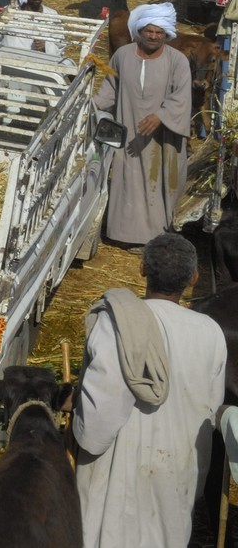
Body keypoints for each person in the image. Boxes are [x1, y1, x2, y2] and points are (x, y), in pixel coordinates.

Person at [73, 232, 225, 548]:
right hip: (175, 474)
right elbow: (208, 416)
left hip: (116, 476)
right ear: (194, 277)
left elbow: (96, 425)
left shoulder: (117, 322)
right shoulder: (210, 333)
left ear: (142, 269)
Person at [93, 3, 191, 246]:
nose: (154, 36)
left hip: (163, 139)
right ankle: (124, 235)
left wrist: (161, 116)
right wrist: (90, 107)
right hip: (129, 135)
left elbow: (181, 96)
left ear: (167, 34)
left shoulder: (177, 61)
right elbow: (110, 90)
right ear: (139, 30)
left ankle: (156, 238)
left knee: (159, 184)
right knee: (129, 181)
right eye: (149, 31)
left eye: (159, 32)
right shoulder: (123, 55)